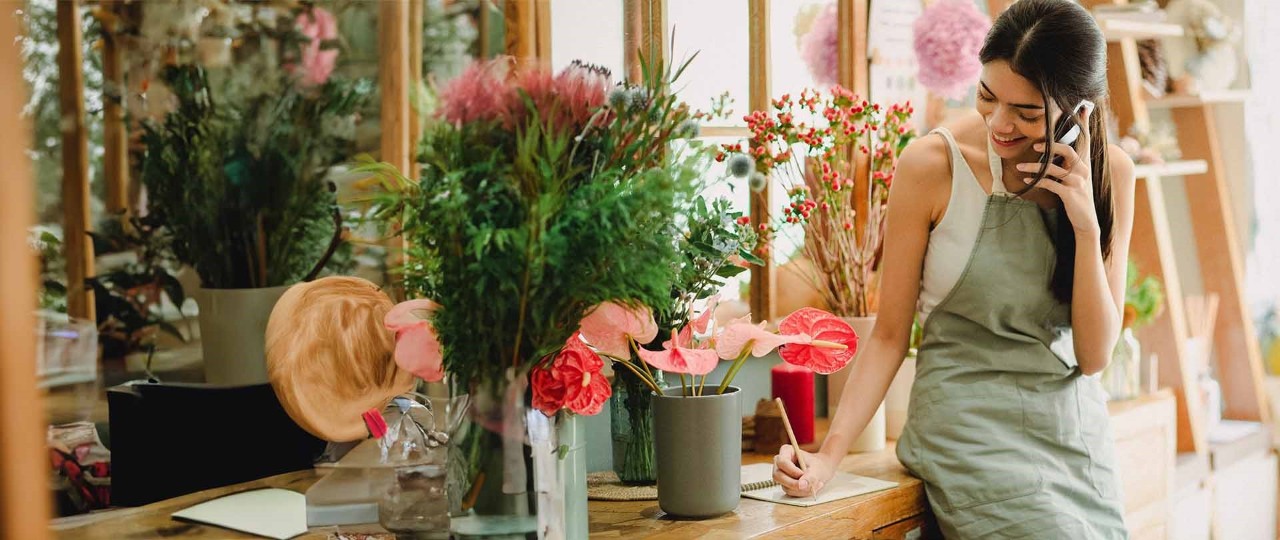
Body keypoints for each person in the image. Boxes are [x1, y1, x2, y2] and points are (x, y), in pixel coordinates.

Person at [772, 1, 1136, 537]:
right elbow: (890, 335)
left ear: (1079, 113)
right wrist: (828, 457)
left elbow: (1094, 355)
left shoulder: (1112, 175)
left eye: (1028, 113)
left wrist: (1086, 227)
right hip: (965, 431)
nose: (1000, 123)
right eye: (988, 96)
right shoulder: (930, 166)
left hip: (1072, 440)